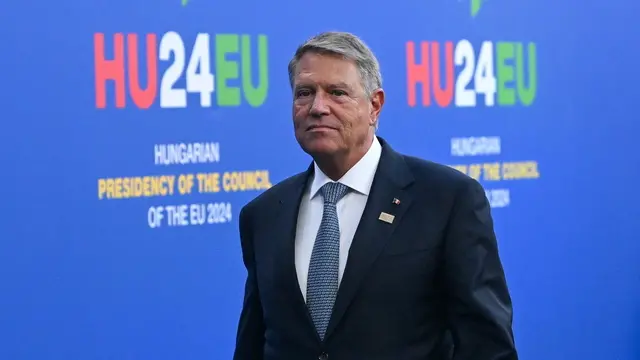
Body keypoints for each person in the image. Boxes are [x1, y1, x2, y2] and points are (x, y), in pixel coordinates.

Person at [232, 31, 518, 360]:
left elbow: (487, 345)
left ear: (374, 105)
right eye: (304, 93)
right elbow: (254, 343)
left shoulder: (447, 200)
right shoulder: (264, 214)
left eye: (337, 93)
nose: (317, 107)